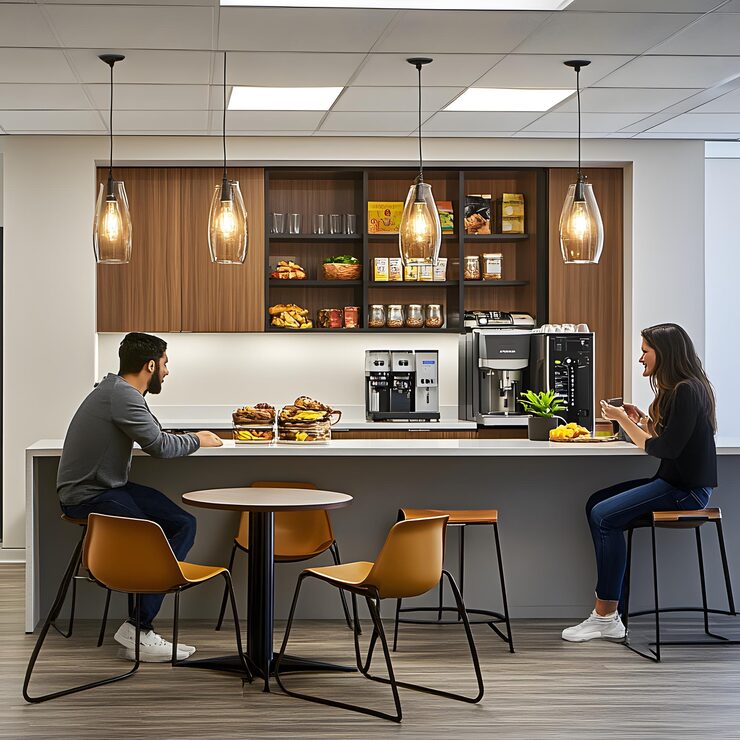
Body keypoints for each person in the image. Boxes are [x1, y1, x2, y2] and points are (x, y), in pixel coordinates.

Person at [57, 332, 223, 661]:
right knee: (152, 536)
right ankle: (139, 628)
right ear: (150, 365)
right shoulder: (121, 395)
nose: (167, 371)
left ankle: (139, 625)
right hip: (87, 495)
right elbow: (159, 446)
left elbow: (154, 433)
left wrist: (187, 436)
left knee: (182, 523)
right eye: (165, 363)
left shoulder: (120, 391)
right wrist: (198, 439)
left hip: (107, 488)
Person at [562, 323, 717, 642]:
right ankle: (613, 612)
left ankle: (605, 615)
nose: (640, 358)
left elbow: (663, 449)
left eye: (645, 351)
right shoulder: (683, 389)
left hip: (685, 492)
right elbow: (670, 439)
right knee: (596, 504)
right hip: (675, 484)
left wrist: (621, 420)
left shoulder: (686, 390)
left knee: (604, 516)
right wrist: (641, 421)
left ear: (664, 353)